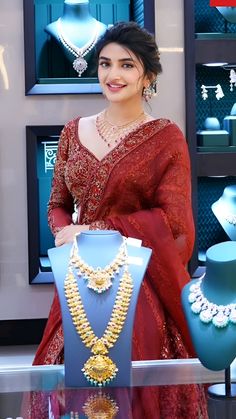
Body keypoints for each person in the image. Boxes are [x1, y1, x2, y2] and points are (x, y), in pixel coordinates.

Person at [33, 21, 208, 418]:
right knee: (63, 378)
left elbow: (175, 225)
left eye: (126, 65)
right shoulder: (72, 132)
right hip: (77, 277)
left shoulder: (164, 138)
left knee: (133, 371)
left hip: (138, 280)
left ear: (148, 75)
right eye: (105, 64)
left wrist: (92, 230)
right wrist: (64, 231)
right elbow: (57, 204)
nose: (113, 75)